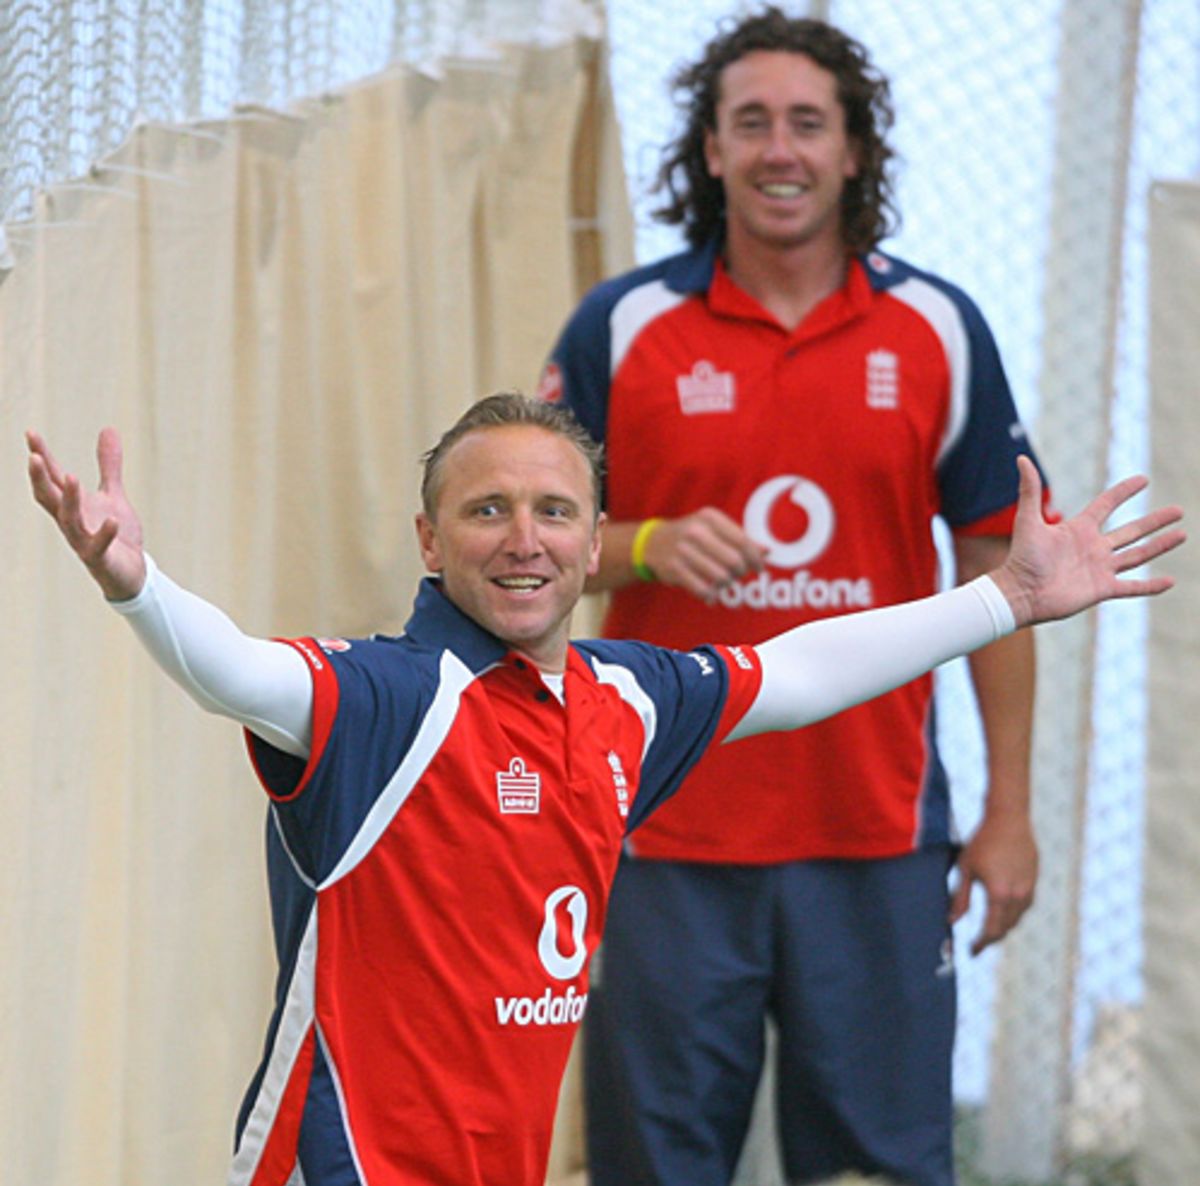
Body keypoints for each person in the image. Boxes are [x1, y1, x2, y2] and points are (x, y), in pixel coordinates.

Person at [26, 393, 1182, 1186]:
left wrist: (1004, 601)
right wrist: (139, 586)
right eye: (486, 511)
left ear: (593, 547)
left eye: (554, 512)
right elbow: (236, 669)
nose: (521, 539)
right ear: (431, 541)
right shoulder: (381, 697)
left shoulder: (626, 700)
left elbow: (798, 671)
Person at [542, 10, 1057, 1185]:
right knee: (655, 1167)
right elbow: (530, 546)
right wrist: (648, 543)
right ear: (711, 150)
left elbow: (1002, 574)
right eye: (752, 123)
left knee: (877, 1168)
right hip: (664, 830)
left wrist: (1010, 809)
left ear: (855, 150)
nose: (782, 150)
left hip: (875, 835)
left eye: (809, 124)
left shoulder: (937, 327)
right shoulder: (624, 327)